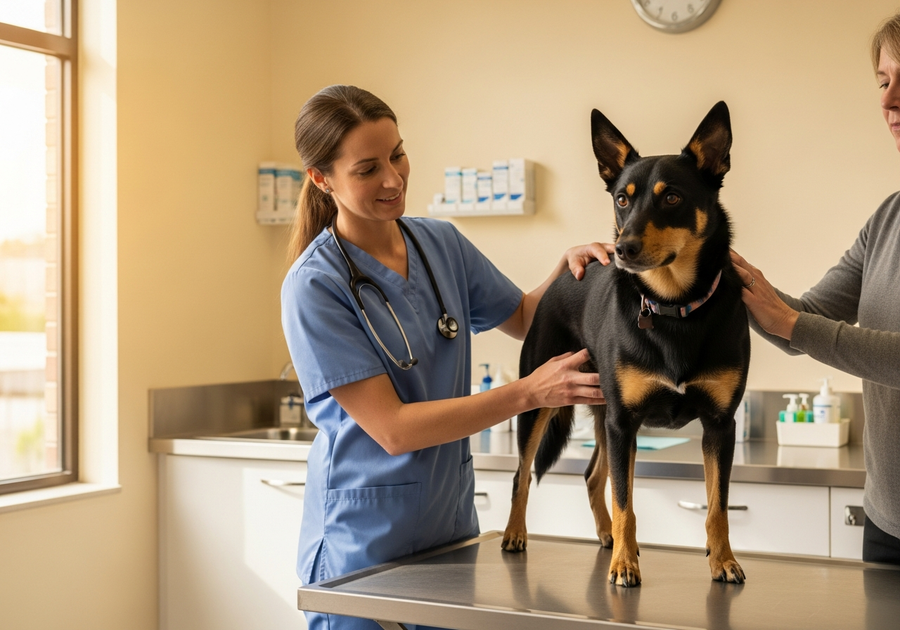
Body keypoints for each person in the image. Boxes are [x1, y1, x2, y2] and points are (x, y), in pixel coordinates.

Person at [281, 84, 610, 629]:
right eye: (367, 169)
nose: (393, 178)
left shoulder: (441, 244)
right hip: (362, 546)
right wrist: (528, 392)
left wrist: (567, 270)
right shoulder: (315, 285)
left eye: (398, 154)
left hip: (449, 534)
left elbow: (527, 317)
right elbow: (393, 429)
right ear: (322, 179)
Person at [730, 12, 900, 566]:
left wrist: (790, 323)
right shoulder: (886, 221)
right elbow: (798, 321)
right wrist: (726, 273)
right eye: (882, 80)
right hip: (886, 519)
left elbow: (797, 325)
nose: (889, 99)